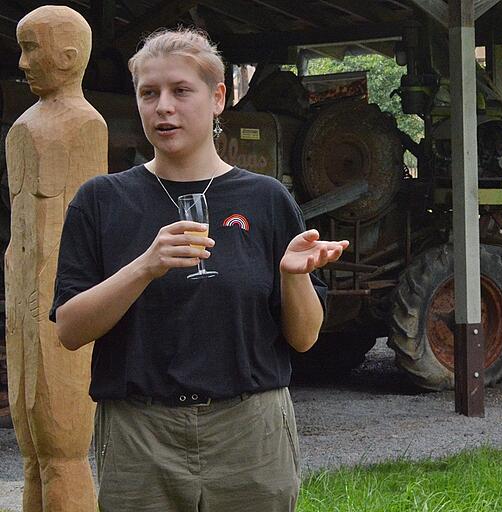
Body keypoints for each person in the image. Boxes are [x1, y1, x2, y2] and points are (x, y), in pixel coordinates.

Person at [49, 28, 348, 512]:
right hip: (139, 435)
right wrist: (144, 267)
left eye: (180, 91)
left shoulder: (266, 198)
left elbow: (305, 338)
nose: (163, 107)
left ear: (218, 99)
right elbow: (69, 328)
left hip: (249, 431)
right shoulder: (101, 201)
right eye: (149, 93)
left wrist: (293, 277)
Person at [7, 6, 104, 510]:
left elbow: (81, 240)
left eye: (30, 48)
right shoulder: (24, 125)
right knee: (31, 453)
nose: (21, 63)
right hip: (23, 300)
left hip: (57, 302)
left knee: (63, 451)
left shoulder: (85, 125)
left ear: (68, 57)